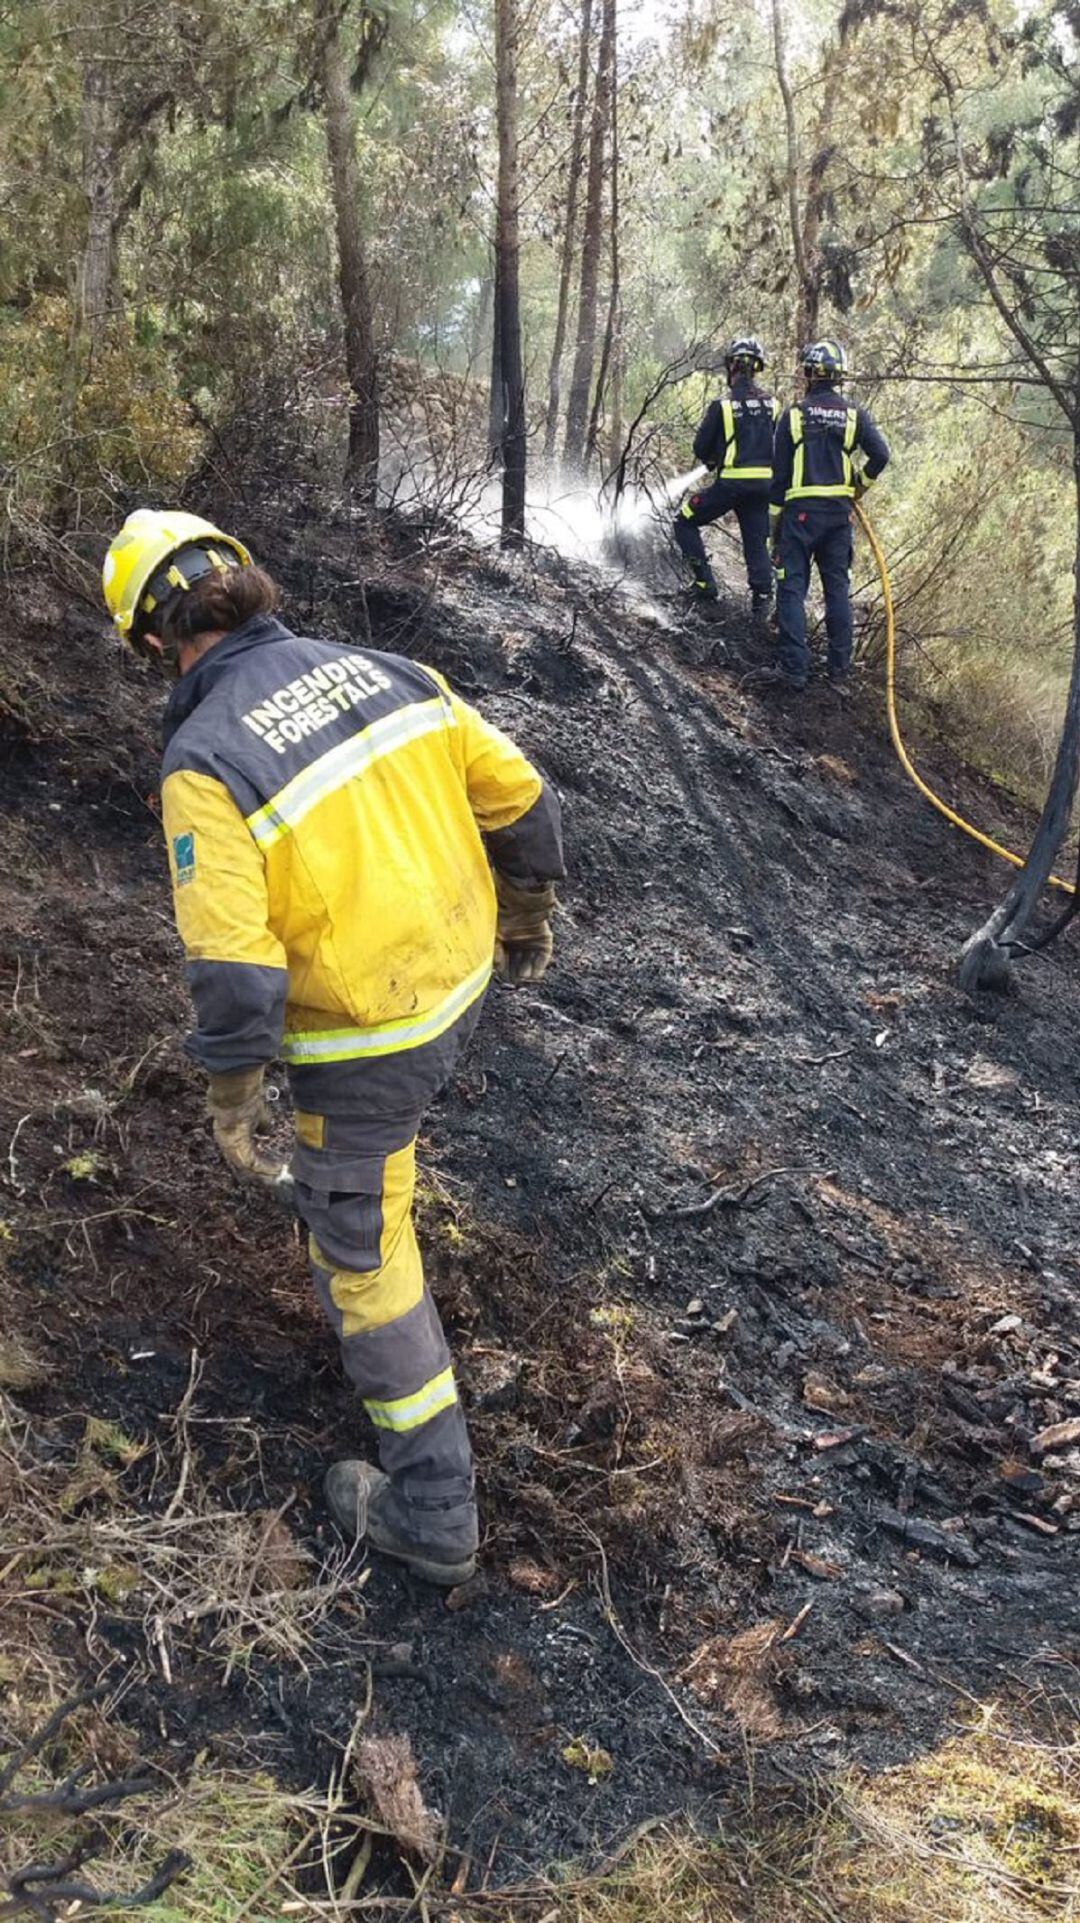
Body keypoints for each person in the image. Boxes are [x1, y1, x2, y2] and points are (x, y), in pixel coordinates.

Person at [101, 509, 564, 1587]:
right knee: (381, 1164)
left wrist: (228, 1101)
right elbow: (525, 806)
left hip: (368, 1040)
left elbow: (235, 976)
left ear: (154, 643)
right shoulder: (390, 671)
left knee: (359, 1257)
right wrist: (526, 914)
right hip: (457, 985)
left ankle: (434, 1509)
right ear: (248, 584)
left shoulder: (203, 760)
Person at [768, 339, 890, 692]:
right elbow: (880, 455)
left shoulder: (793, 415)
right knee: (837, 590)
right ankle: (839, 672)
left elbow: (778, 477)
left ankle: (794, 669)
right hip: (838, 516)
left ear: (809, 373)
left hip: (800, 514)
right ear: (839, 377)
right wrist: (859, 487)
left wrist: (773, 526)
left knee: (791, 588)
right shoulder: (854, 415)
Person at [673, 335, 779, 617]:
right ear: (756, 368)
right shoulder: (774, 405)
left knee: (684, 520)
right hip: (763, 488)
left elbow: (700, 446)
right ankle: (761, 605)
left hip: (731, 484)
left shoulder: (723, 405)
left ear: (731, 366)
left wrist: (712, 457)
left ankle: (705, 583)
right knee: (756, 543)